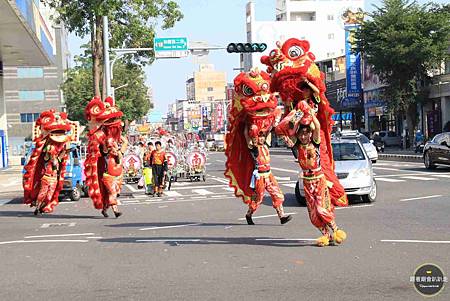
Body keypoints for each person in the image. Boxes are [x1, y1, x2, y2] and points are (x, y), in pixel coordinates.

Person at [277, 102, 347, 247]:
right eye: (301, 134)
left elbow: (317, 126)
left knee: (322, 209)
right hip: (307, 182)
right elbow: (283, 129)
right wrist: (297, 113)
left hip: (319, 180)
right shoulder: (296, 145)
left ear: (310, 133)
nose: (303, 136)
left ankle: (336, 230)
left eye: (306, 133)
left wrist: (309, 112)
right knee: (313, 215)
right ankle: (326, 235)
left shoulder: (315, 142)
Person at [245, 130, 292, 225]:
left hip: (269, 175)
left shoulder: (265, 146)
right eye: (259, 136)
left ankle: (281, 216)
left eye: (263, 136)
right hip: (259, 177)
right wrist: (247, 126)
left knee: (277, 194)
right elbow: (247, 136)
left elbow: (268, 130)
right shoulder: (254, 148)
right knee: (258, 199)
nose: (261, 138)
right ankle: (249, 214)